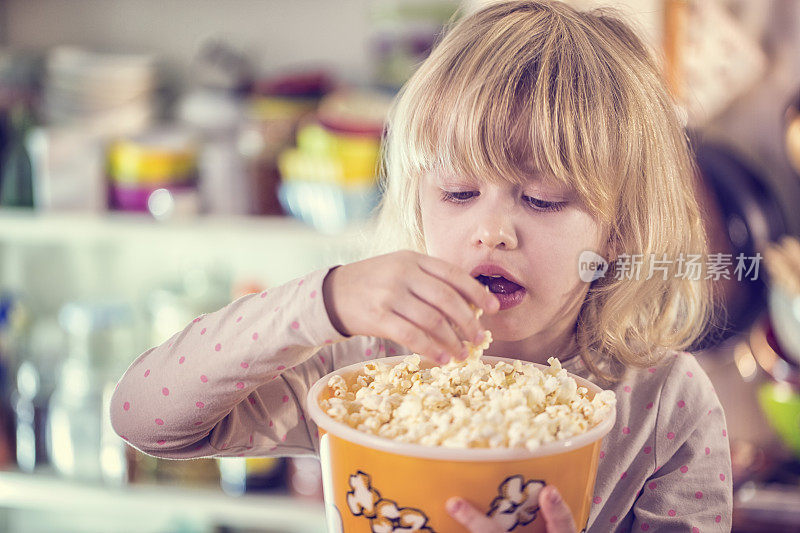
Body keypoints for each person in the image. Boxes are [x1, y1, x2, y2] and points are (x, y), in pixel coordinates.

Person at [111, 1, 733, 531]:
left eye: (541, 198)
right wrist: (320, 304)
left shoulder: (665, 406)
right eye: (459, 193)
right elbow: (142, 416)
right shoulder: (364, 370)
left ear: (620, 231)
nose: (492, 230)